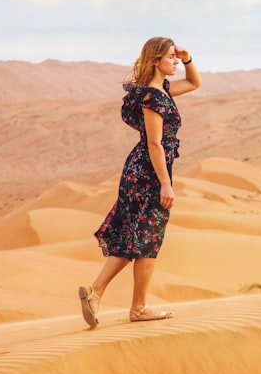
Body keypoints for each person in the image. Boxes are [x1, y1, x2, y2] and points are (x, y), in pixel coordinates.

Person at [78, 37, 201, 329]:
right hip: (148, 173)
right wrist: (165, 185)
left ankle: (98, 293)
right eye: (170, 57)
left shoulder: (159, 91)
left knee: (135, 238)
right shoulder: (154, 98)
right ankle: (138, 307)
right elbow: (155, 144)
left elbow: (194, 83)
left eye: (175, 57)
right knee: (147, 240)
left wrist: (187, 57)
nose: (174, 61)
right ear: (156, 61)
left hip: (141, 171)